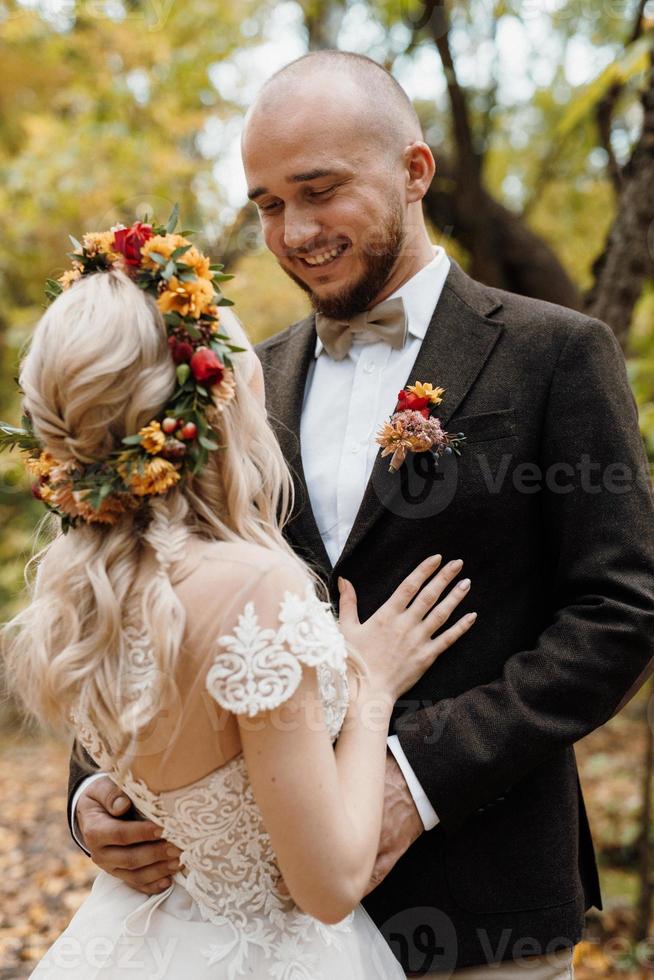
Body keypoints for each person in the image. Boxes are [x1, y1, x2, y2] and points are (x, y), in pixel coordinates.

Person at [67, 52, 654, 978]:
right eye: (266, 204)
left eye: (320, 190)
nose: (293, 231)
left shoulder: (557, 355)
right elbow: (151, 588)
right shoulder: (236, 383)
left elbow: (621, 613)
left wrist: (412, 781)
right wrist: (97, 791)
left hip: (480, 902)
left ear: (415, 171)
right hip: (253, 921)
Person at [1, 221, 476, 978]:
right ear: (221, 395)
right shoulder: (256, 588)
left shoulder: (79, 590)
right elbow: (326, 886)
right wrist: (372, 686)